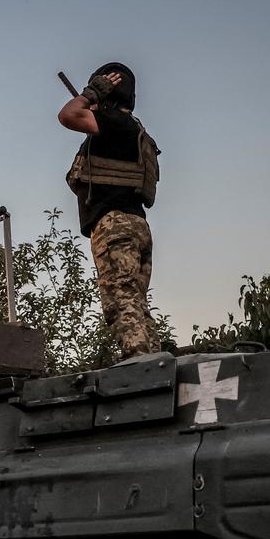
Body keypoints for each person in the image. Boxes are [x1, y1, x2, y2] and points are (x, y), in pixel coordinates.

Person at [58, 62, 161, 359]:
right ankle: (152, 359)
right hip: (135, 225)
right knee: (135, 302)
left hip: (115, 225)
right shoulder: (133, 131)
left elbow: (68, 115)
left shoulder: (116, 123)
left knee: (121, 301)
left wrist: (90, 94)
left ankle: (139, 365)